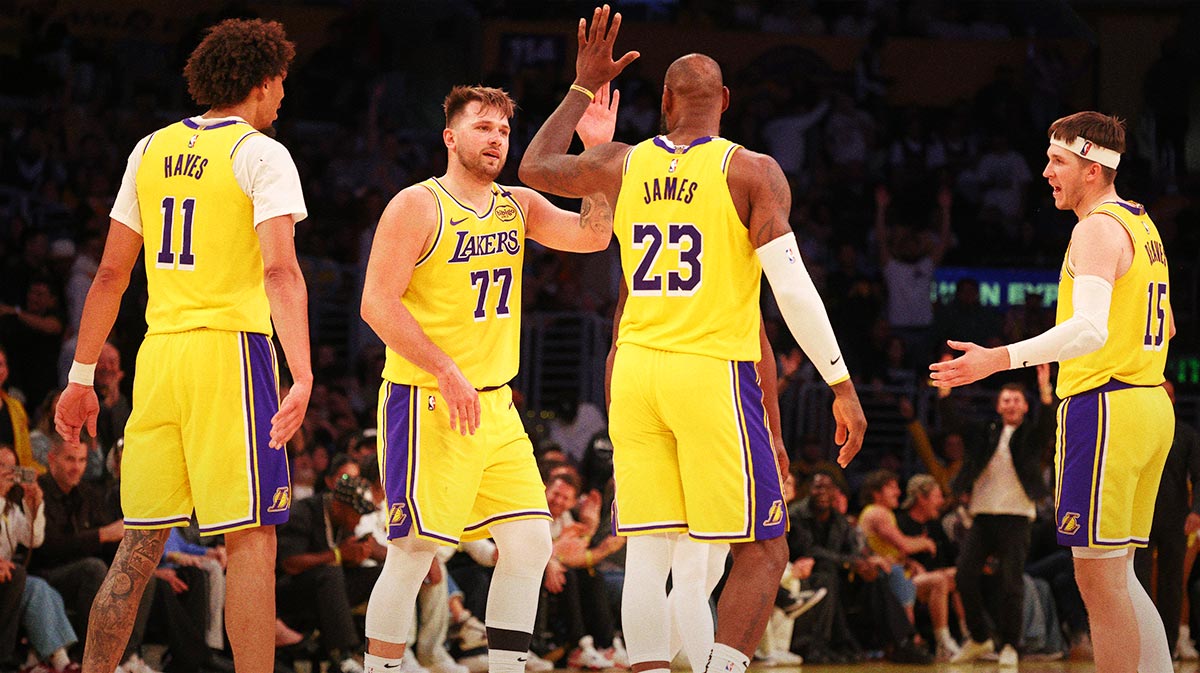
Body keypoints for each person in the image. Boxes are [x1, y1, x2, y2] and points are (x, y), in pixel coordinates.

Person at [519, 8, 867, 673]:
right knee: (763, 548)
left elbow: (534, 165)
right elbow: (791, 291)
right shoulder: (751, 172)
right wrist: (841, 382)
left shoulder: (623, 161)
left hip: (636, 371)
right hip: (708, 370)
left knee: (649, 550)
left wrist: (582, 86)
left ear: (665, 103)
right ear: (727, 102)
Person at [54, 18, 311, 673]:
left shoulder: (149, 149)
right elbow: (281, 270)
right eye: (281, 81)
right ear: (261, 80)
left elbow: (111, 274)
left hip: (159, 355)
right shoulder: (260, 152)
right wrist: (302, 372)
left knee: (137, 548)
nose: (283, 95)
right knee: (252, 543)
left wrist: (80, 375)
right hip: (231, 354)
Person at [358, 75, 617, 673]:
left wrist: (597, 157)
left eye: (503, 129)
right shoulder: (417, 204)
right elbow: (377, 303)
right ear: (450, 137)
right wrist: (444, 367)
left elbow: (592, 235)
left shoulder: (516, 205)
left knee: (528, 546)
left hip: (496, 407)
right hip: (426, 399)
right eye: (483, 127)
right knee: (413, 553)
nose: (497, 138)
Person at [930, 111, 1175, 673]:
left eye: (1057, 161)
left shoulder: (1095, 228)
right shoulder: (1143, 225)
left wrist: (999, 358)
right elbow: (1164, 327)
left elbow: (1090, 329)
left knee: (1098, 579)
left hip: (1108, 405)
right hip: (1147, 405)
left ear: (1093, 168)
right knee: (1119, 574)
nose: (1045, 173)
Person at [950, 368, 1056, 666]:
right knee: (964, 576)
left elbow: (1048, 425)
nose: (1010, 404)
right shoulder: (986, 432)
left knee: (1011, 582)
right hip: (982, 515)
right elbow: (953, 423)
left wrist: (1045, 389)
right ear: (998, 405)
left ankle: (1011, 644)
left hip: (1017, 515)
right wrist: (943, 394)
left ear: (1025, 406)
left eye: (1016, 400)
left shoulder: (1031, 436)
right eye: (1006, 400)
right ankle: (980, 637)